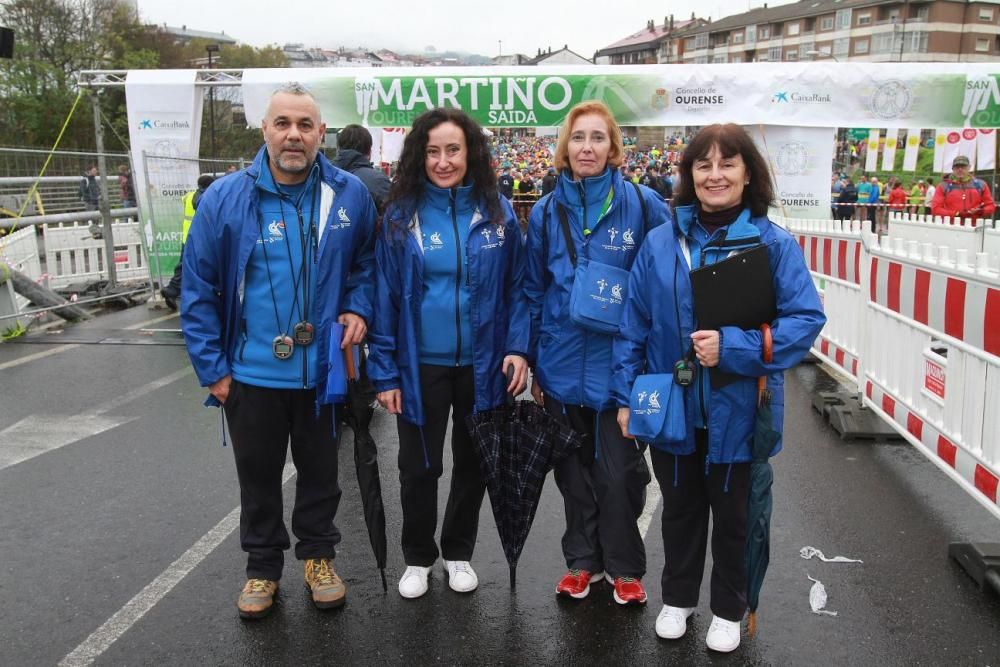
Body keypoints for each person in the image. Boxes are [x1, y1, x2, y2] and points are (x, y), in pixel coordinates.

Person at [611, 123, 825, 653]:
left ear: (748, 173)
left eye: (727, 164)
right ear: (689, 175)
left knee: (733, 517)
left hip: (740, 408)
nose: (715, 175)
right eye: (703, 165)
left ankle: (728, 608)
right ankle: (678, 599)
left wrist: (733, 348)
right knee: (679, 512)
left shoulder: (773, 244)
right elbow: (632, 324)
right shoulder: (662, 242)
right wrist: (625, 397)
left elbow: (805, 319)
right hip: (674, 406)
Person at [180, 83, 376, 619]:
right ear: (265, 130)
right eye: (283, 123)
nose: (294, 135)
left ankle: (318, 557)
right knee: (258, 479)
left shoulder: (348, 194)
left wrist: (359, 306)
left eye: (305, 125)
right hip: (250, 375)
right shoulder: (225, 198)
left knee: (321, 477)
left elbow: (366, 263)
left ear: (321, 135)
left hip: (321, 376)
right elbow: (197, 287)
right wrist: (213, 370)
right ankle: (262, 567)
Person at [368, 108, 529, 600]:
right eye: (433, 151)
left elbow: (518, 288)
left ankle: (458, 551)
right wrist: (385, 373)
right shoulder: (401, 215)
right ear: (420, 155)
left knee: (474, 463)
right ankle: (418, 556)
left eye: (453, 150)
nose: (443, 161)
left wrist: (519, 349)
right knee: (418, 466)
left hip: (484, 366)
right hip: (421, 367)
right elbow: (383, 298)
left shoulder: (497, 211)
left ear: (470, 153)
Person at [524, 101, 671, 605]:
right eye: (578, 138)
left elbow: (664, 282)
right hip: (561, 363)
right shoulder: (546, 211)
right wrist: (532, 359)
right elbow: (533, 289)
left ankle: (624, 567)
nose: (587, 147)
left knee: (618, 473)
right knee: (573, 476)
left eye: (598, 138)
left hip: (621, 365)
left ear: (613, 147)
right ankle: (581, 562)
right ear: (565, 147)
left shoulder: (644, 204)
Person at [161, 174, 214, 310]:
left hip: (187, 237)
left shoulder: (189, 196)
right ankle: (175, 290)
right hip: (200, 237)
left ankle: (175, 290)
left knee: (185, 266)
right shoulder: (207, 196)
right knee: (193, 266)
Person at [334, 124, 391, 211]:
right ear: (369, 152)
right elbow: (395, 219)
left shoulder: (322, 175)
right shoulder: (379, 182)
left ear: (338, 149)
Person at [931, 155, 996, 223]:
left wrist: (980, 211)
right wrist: (956, 214)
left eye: (963, 166)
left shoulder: (981, 185)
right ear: (952, 169)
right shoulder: (943, 186)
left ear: (969, 168)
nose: (960, 169)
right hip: (950, 227)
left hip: (974, 228)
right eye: (957, 167)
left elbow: (991, 206)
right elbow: (935, 209)